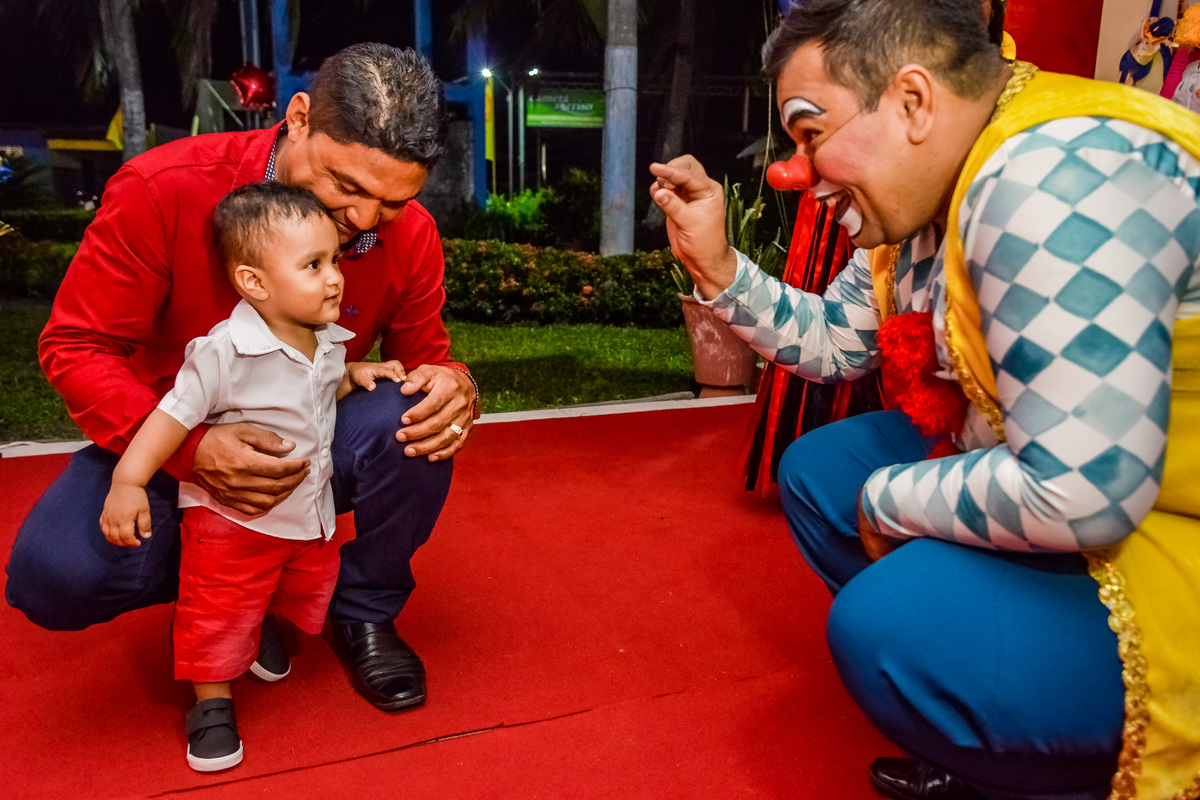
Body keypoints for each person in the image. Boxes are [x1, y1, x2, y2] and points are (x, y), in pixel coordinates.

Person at [649, 1, 1200, 799]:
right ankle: (991, 708)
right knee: (820, 471)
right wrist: (720, 265)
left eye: (811, 131)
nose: (794, 172)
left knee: (890, 622)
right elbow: (835, 341)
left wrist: (891, 500)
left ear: (912, 101)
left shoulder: (1049, 174)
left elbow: (1081, 489)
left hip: (1162, 523)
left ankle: (1054, 763)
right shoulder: (933, 180)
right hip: (1103, 487)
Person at [6, 43, 478, 714]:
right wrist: (189, 452)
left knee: (413, 413)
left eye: (392, 202)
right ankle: (240, 588)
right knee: (56, 574)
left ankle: (364, 610)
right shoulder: (163, 189)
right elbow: (77, 347)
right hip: (168, 437)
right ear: (298, 117)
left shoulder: (411, 236)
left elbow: (428, 356)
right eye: (346, 187)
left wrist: (456, 383)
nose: (364, 223)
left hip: (303, 442)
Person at [101, 181, 407, 771]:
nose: (336, 277)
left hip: (304, 512)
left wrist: (357, 373)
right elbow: (172, 416)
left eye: (336, 260)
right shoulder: (224, 352)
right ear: (254, 282)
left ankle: (259, 627)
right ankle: (211, 702)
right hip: (231, 520)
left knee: (299, 582)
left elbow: (318, 386)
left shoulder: (327, 340)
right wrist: (128, 481)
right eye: (313, 264)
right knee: (215, 608)